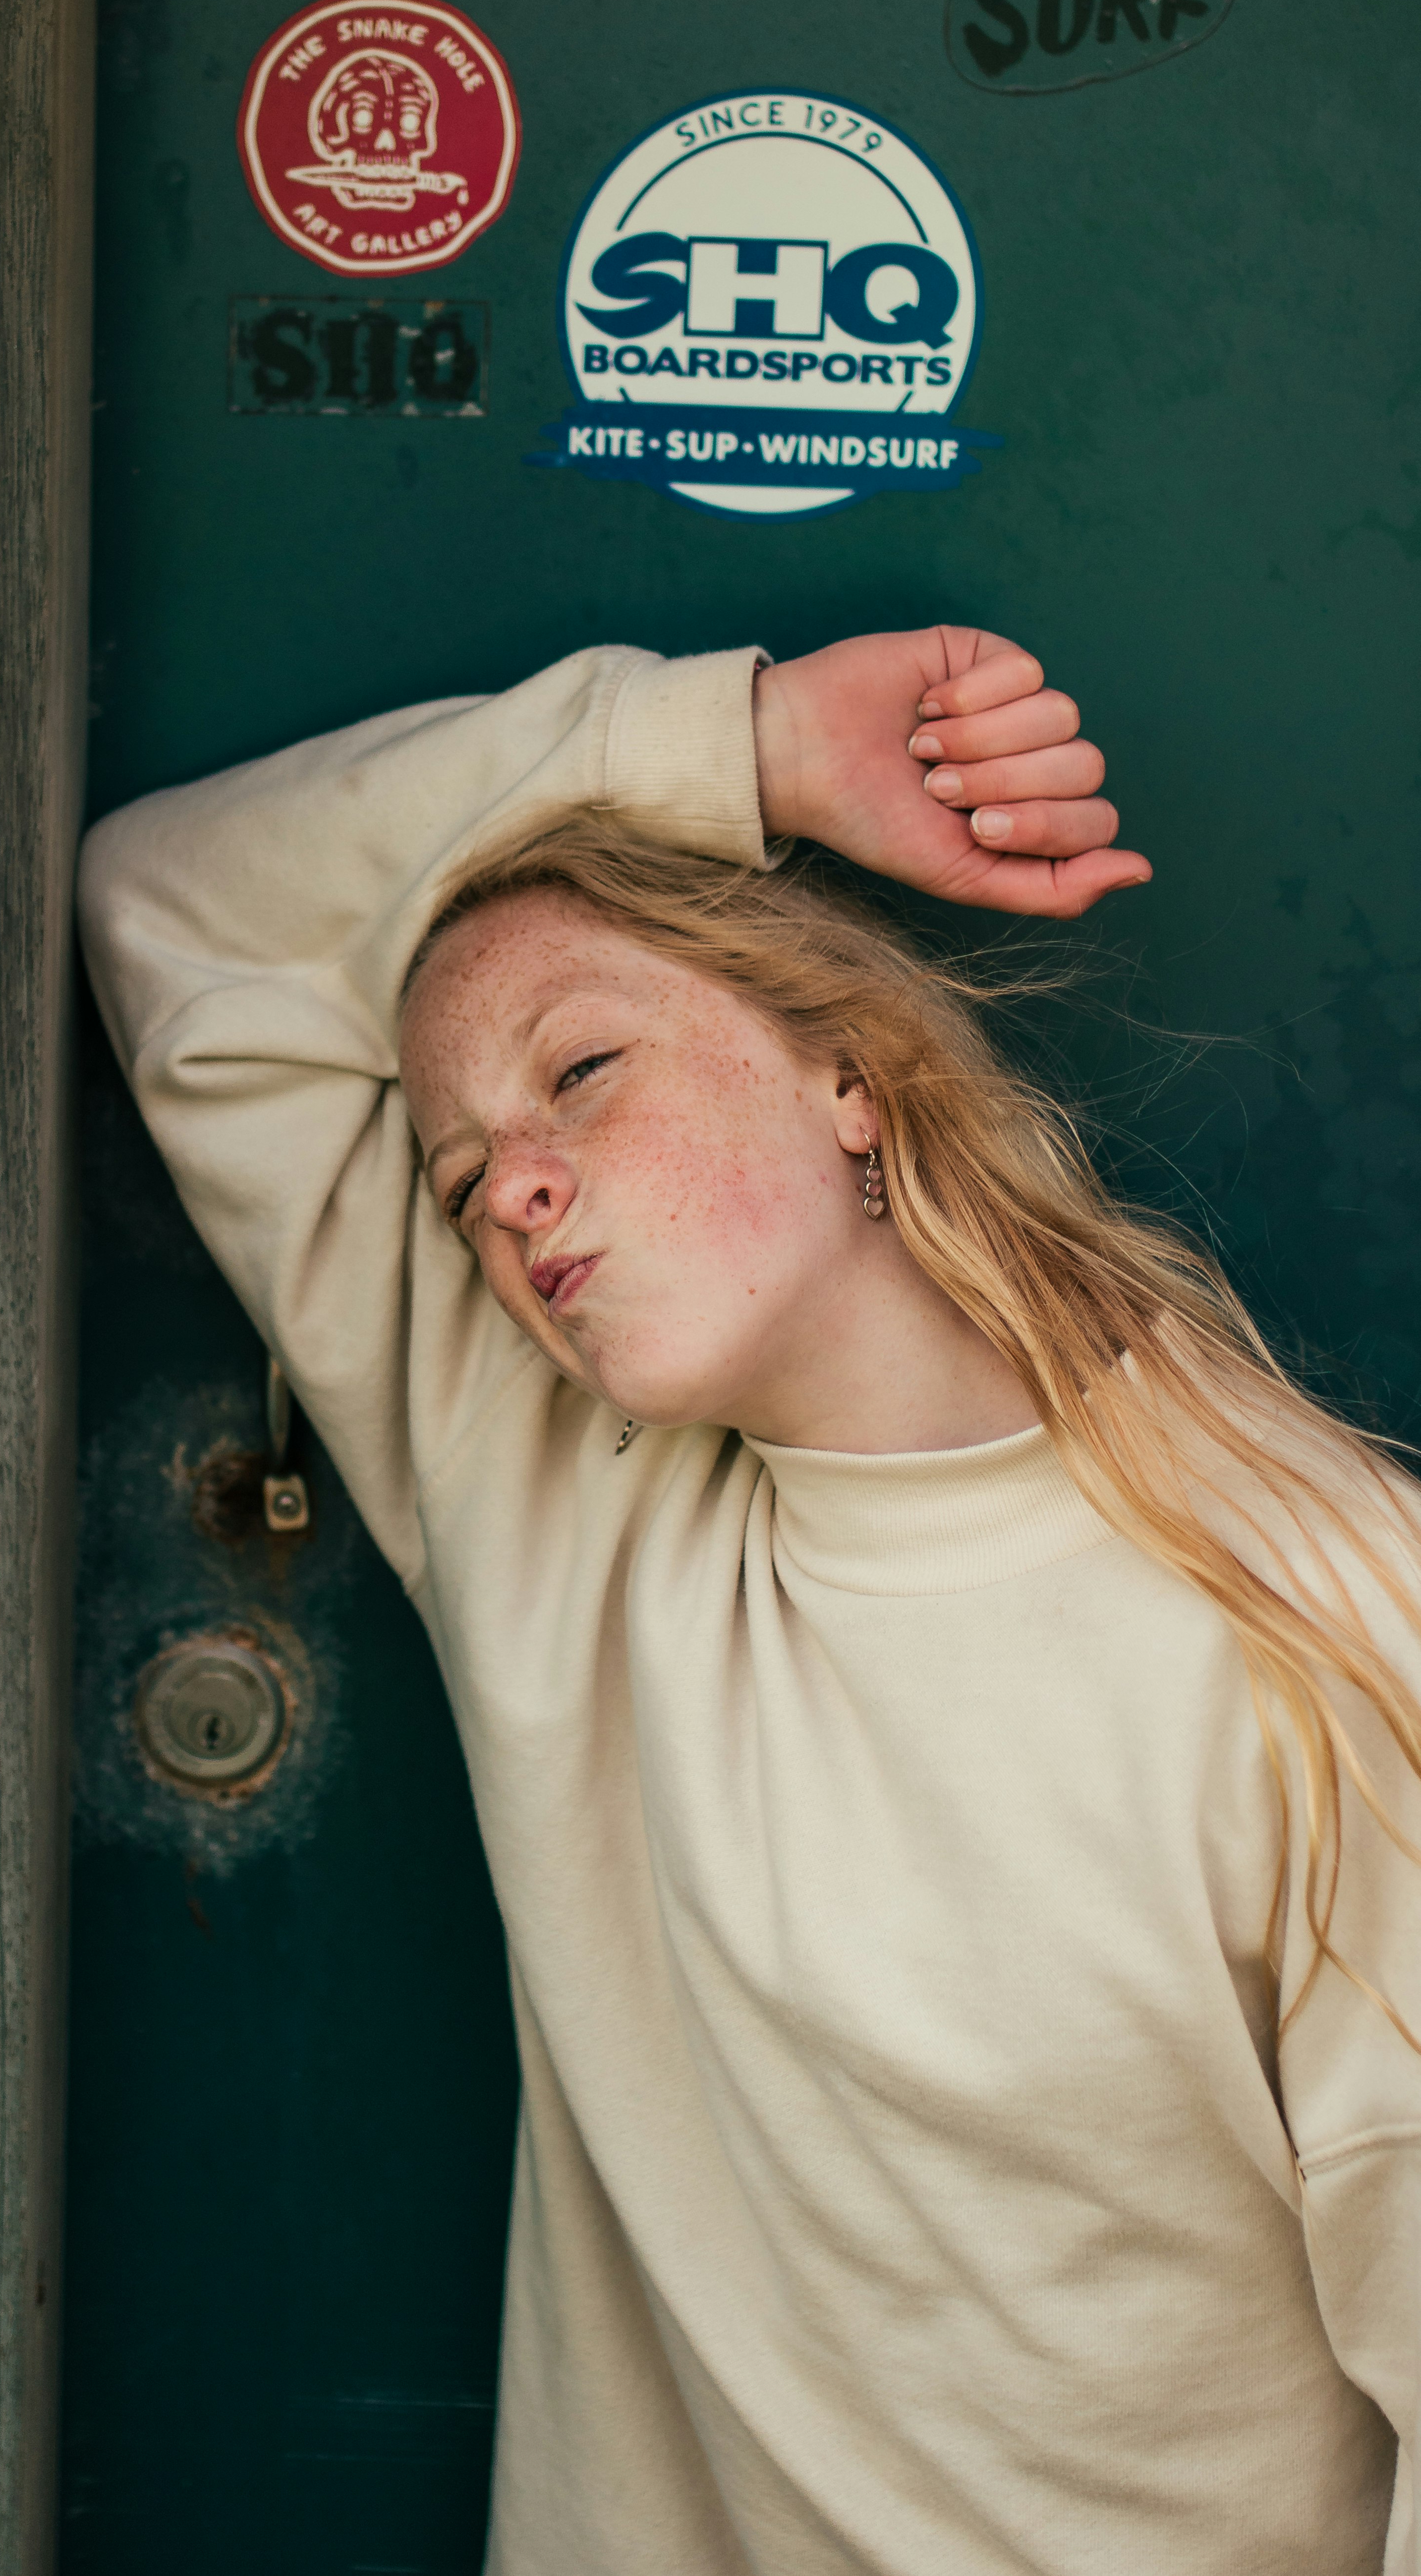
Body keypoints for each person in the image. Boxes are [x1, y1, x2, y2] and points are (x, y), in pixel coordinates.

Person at [77, 629, 1421, 2576]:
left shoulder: (1319, 1600)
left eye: (585, 1071)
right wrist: (749, 743)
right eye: (457, 1177)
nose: (514, 1188)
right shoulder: (554, 1500)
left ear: (851, 1079)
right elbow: (170, 899)